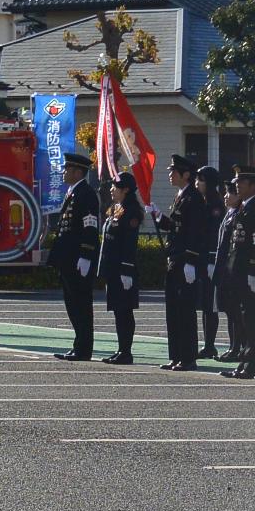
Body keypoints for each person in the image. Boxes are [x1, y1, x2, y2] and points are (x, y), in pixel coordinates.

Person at [153, 155, 210, 371]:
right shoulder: (180, 196)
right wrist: (159, 216)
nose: (170, 175)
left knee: (185, 311)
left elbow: (196, 232)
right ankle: (176, 355)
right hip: (174, 259)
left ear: (186, 174)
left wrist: (191, 260)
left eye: (174, 171)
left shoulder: (193, 198)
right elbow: (176, 227)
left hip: (185, 261)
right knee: (173, 311)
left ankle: (187, 357)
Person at [48, 152, 101, 362]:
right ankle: (78, 345)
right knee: (72, 303)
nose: (63, 172)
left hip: (77, 258)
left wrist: (86, 254)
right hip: (68, 258)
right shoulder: (73, 192)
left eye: (67, 169)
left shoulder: (86, 194)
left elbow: (90, 226)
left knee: (81, 304)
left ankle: (83, 348)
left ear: (78, 172)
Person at [222, 167, 255, 381]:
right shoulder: (243, 208)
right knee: (243, 319)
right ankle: (245, 360)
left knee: (252, 320)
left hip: (248, 273)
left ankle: (254, 364)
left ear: (253, 185)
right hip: (237, 272)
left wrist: (253, 270)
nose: (237, 186)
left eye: (242, 182)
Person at [98, 175, 143, 365]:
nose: (111, 189)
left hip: (123, 268)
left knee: (124, 310)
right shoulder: (117, 208)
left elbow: (129, 243)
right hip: (113, 267)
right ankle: (121, 349)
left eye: (115, 186)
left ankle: (126, 351)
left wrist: (126, 269)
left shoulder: (131, 211)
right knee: (118, 310)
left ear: (125, 189)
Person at [210, 174, 244, 363]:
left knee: (236, 312)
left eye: (230, 193)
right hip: (224, 269)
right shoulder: (229, 214)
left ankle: (238, 346)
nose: (225, 197)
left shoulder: (238, 214)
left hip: (233, 269)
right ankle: (233, 346)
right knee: (229, 310)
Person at [196, 167, 227, 360]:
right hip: (203, 260)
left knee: (211, 305)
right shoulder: (203, 202)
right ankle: (207, 344)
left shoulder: (216, 204)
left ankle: (210, 345)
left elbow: (214, 235)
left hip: (211, 260)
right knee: (206, 304)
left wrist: (210, 259)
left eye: (201, 180)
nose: (197, 183)